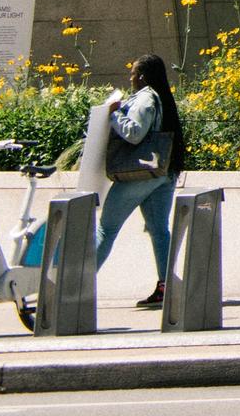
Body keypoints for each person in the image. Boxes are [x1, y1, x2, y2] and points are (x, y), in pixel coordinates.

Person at [90, 55, 182, 311]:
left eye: (133, 73)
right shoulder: (163, 97)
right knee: (159, 230)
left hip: (139, 174)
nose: (130, 78)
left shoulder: (144, 97)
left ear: (141, 76)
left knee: (106, 229)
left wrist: (114, 113)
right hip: (162, 172)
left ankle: (78, 285)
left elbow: (134, 133)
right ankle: (166, 287)